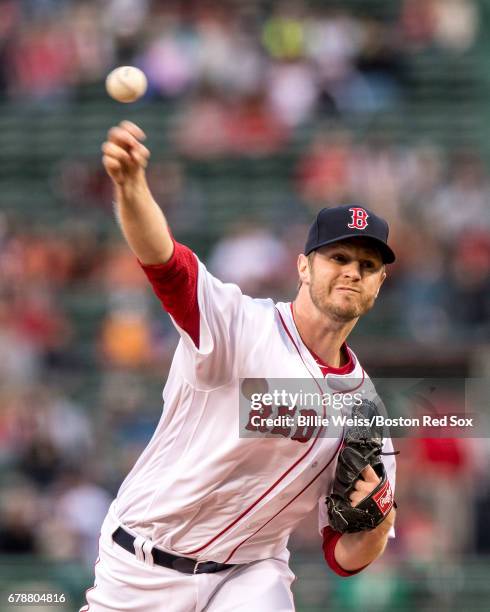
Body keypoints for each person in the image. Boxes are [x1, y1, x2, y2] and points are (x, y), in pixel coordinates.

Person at [81, 120, 397, 612]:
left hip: (251, 575)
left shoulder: (366, 412)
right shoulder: (239, 326)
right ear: (304, 266)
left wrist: (377, 521)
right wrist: (133, 188)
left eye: (368, 265)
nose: (353, 271)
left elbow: (343, 555)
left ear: (380, 282)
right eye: (338, 257)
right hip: (142, 564)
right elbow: (165, 263)